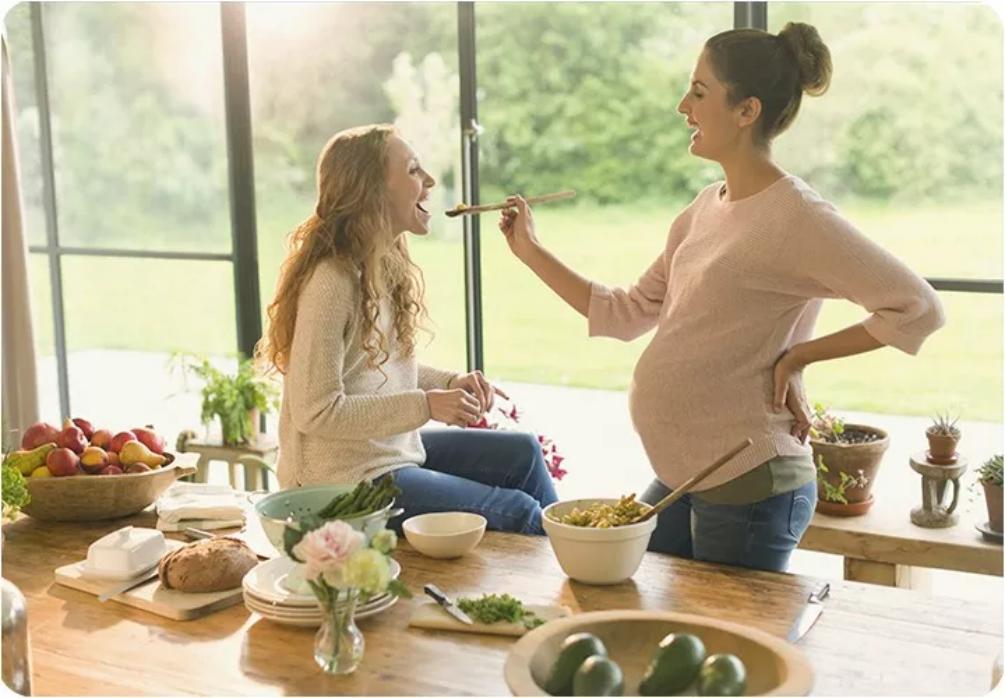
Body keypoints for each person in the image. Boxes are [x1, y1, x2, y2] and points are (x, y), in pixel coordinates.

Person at [498, 23, 944, 571]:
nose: (683, 105)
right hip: (687, 474)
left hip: (748, 484)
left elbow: (917, 307)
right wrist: (530, 250)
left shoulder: (798, 217)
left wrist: (800, 356)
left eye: (700, 92)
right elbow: (625, 312)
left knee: (727, 648)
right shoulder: (707, 205)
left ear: (746, 111)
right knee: (650, 621)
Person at [257, 124, 557, 535]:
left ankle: (579, 555)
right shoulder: (331, 281)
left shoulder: (380, 265)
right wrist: (427, 405)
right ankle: (575, 580)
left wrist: (450, 382)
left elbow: (379, 370)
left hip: (386, 456)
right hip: (340, 487)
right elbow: (317, 409)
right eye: (414, 170)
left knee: (522, 453)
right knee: (520, 512)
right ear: (372, 189)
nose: (431, 182)